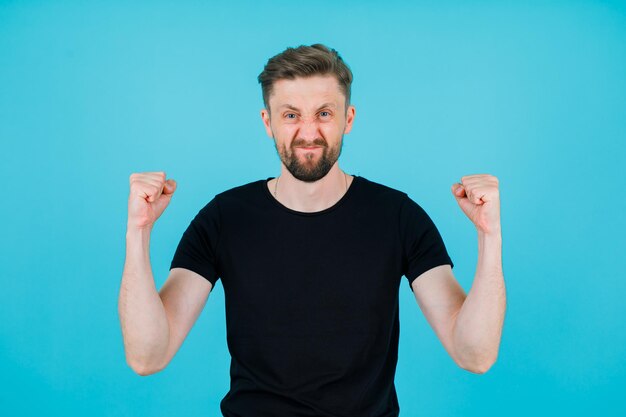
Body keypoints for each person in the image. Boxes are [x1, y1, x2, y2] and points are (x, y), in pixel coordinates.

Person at [118, 44, 506, 416]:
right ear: (267, 122)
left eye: (323, 113)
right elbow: (148, 356)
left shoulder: (398, 217)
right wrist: (138, 233)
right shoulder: (223, 218)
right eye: (291, 115)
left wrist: (490, 237)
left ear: (348, 119)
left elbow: (474, 354)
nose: (308, 132)